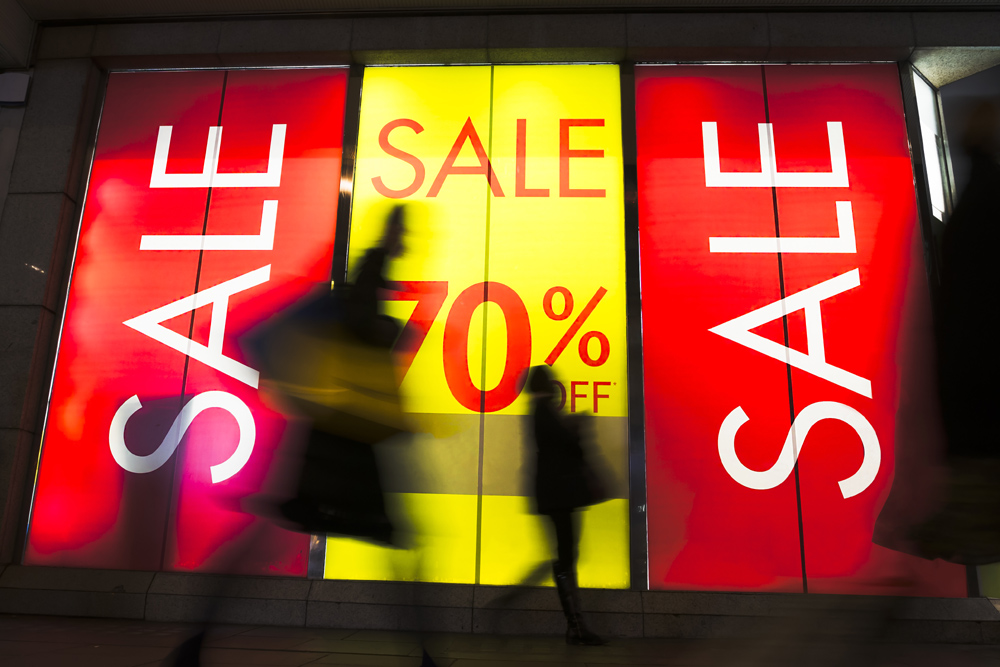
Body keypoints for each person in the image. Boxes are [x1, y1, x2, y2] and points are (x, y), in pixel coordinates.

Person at [526, 365, 607, 646]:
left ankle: (576, 623)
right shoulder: (545, 411)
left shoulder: (537, 412)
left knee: (565, 555)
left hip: (552, 496)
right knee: (566, 556)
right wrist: (577, 427)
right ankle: (575, 623)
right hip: (560, 495)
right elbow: (568, 446)